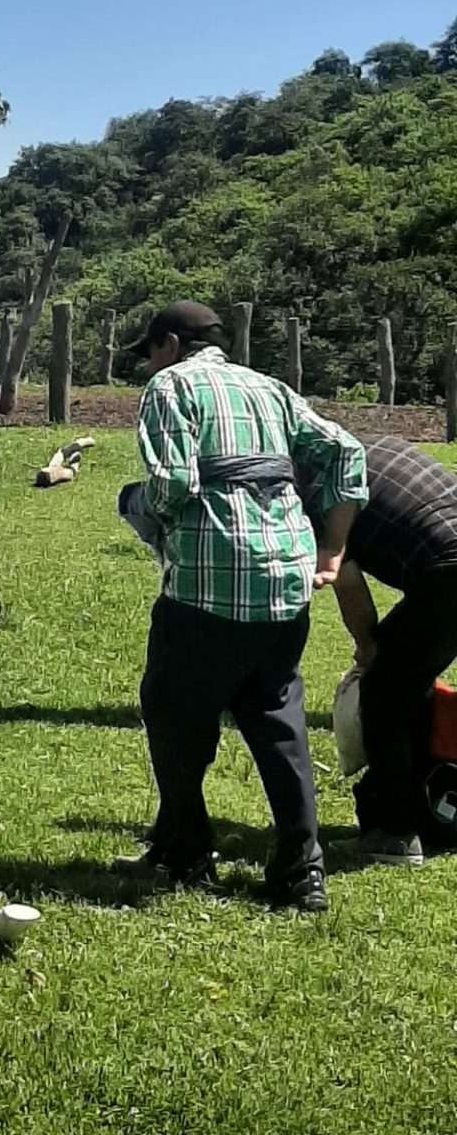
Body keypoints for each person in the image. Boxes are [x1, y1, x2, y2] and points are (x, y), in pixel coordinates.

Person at [116, 300, 368, 911]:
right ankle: (301, 873)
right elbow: (346, 451)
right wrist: (333, 548)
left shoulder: (171, 388)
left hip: (209, 586)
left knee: (175, 716)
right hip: (285, 580)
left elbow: (174, 484)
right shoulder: (270, 390)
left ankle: (185, 851)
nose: (150, 365)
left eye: (151, 353)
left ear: (170, 345)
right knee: (278, 720)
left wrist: (137, 508)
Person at [303, 435, 457, 865]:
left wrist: (367, 645)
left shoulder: (316, 490)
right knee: (407, 681)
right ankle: (431, 809)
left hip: (448, 570)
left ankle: (394, 833)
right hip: (445, 565)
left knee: (385, 693)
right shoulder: (373, 446)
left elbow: (348, 582)